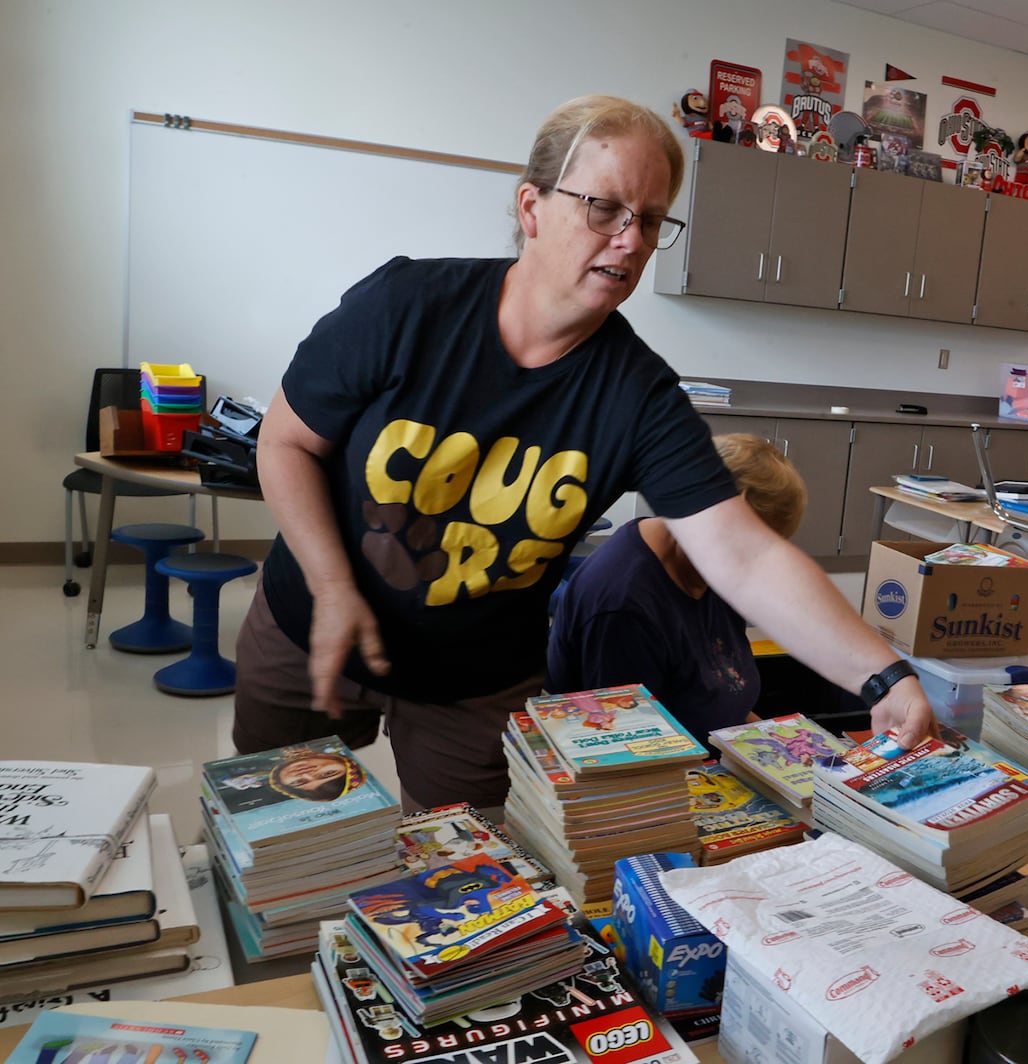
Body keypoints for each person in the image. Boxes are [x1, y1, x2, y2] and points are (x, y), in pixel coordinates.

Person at [233, 94, 933, 812]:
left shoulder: (638, 395)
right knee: (281, 837)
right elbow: (286, 442)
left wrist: (884, 675)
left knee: (474, 874)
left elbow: (745, 556)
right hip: (313, 618)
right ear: (532, 209)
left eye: (652, 219)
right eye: (605, 208)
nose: (630, 240)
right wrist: (333, 586)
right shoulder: (406, 306)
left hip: (474, 677)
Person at [546, 433, 806, 745]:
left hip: (715, 755)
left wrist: (780, 746)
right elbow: (632, 747)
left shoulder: (706, 566)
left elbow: (726, 699)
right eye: (744, 548)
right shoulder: (623, 605)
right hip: (653, 774)